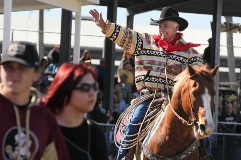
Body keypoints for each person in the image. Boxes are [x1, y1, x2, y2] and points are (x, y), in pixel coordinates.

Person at [90, 7, 203, 159]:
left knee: (200, 127)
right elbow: (125, 35)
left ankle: (205, 155)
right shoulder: (144, 42)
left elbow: (200, 72)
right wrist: (104, 25)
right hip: (149, 98)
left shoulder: (189, 52)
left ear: (176, 27)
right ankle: (124, 156)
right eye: (160, 25)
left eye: (166, 25)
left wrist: (182, 68)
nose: (162, 29)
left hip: (176, 100)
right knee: (135, 122)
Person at [0, 41, 70, 159]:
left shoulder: (44, 116)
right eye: (9, 67)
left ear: (36, 74)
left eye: (22, 67)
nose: (15, 73)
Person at [45, 62, 108, 160]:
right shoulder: (43, 130)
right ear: (65, 91)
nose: (92, 93)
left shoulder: (95, 133)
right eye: (85, 88)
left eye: (94, 87)